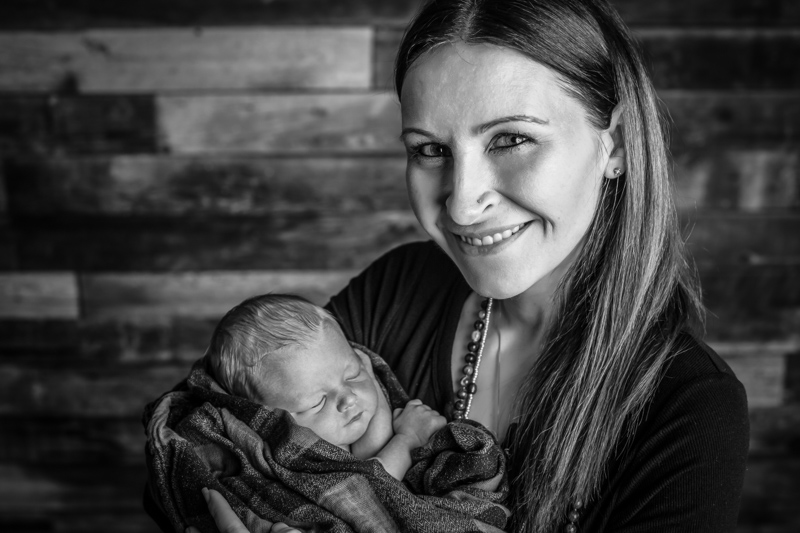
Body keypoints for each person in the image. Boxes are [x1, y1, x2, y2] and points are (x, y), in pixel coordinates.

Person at [178, 0, 749, 531]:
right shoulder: (398, 288)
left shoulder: (691, 410)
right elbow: (190, 441)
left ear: (617, 144)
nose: (460, 202)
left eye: (512, 139)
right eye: (430, 150)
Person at [205, 293, 447, 481]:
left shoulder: (333, 425)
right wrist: (408, 438)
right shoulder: (295, 455)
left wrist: (368, 374)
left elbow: (369, 450)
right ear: (265, 417)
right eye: (318, 402)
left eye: (352, 374)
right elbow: (372, 486)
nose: (349, 398)